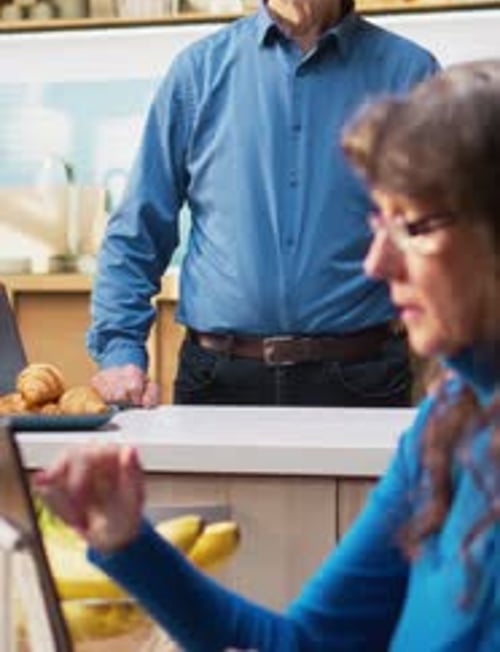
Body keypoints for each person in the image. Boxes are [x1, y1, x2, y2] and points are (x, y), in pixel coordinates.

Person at [36, 61, 500, 650]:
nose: (376, 264)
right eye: (377, 224)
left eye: (413, 225)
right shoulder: (447, 429)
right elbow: (301, 643)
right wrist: (126, 541)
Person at [87, 0, 439, 408]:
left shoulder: (411, 75)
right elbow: (139, 227)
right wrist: (120, 350)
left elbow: (447, 237)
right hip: (217, 378)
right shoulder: (197, 73)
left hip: (364, 378)